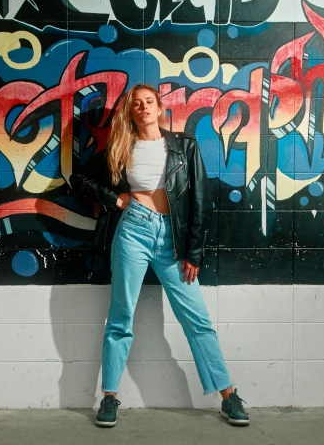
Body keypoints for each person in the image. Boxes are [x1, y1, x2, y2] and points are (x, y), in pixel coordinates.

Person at [70, 84, 250, 427]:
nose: (143, 108)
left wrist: (193, 252)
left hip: (173, 239)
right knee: (120, 317)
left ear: (160, 107)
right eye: (136, 104)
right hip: (133, 232)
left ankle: (228, 396)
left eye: (149, 102)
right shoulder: (121, 148)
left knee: (197, 320)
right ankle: (109, 397)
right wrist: (116, 199)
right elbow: (79, 178)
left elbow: (199, 201)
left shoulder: (184, 146)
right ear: (130, 111)